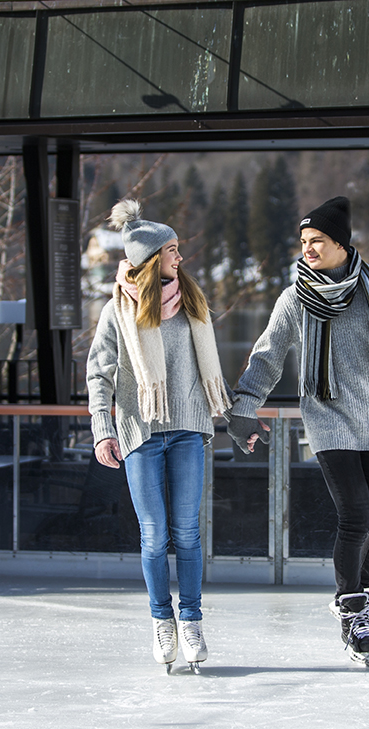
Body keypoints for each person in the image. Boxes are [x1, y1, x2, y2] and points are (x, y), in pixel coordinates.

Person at [227, 196, 369, 667]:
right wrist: (245, 407)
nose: (307, 250)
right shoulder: (295, 299)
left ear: (342, 245)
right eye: (304, 242)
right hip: (328, 420)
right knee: (355, 517)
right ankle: (351, 605)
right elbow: (268, 356)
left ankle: (359, 588)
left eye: (317, 242)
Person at [87, 198, 232, 672]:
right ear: (151, 260)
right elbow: (98, 374)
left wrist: (237, 418)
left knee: (187, 533)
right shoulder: (117, 312)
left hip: (189, 427)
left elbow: (209, 369)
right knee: (154, 536)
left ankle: (191, 619)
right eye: (171, 250)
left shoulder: (193, 301)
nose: (179, 258)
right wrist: (102, 429)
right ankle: (161, 620)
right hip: (140, 430)